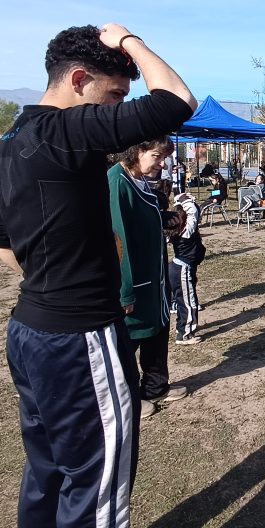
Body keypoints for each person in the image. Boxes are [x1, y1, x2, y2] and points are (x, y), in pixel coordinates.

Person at [0, 23, 196, 528]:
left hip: (30, 331)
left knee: (48, 469)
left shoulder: (9, 144)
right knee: (97, 486)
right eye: (113, 96)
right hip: (79, 338)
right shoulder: (65, 132)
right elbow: (176, 100)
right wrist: (128, 41)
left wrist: (55, 278)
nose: (118, 113)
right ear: (79, 80)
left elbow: (2, 248)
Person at [108, 140, 188, 420]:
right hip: (135, 281)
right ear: (135, 151)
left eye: (165, 157)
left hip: (155, 279)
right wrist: (125, 292)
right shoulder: (117, 183)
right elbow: (118, 240)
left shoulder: (140, 181)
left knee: (157, 331)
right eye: (157, 156)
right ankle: (126, 400)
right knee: (129, 340)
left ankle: (155, 387)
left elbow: (145, 220)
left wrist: (169, 219)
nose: (162, 163)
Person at [166, 192, 206, 345]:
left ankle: (181, 327)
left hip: (176, 268)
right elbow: (193, 212)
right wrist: (185, 198)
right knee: (189, 303)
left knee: (183, 301)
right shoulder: (187, 232)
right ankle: (184, 335)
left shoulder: (174, 231)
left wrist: (179, 201)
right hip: (182, 270)